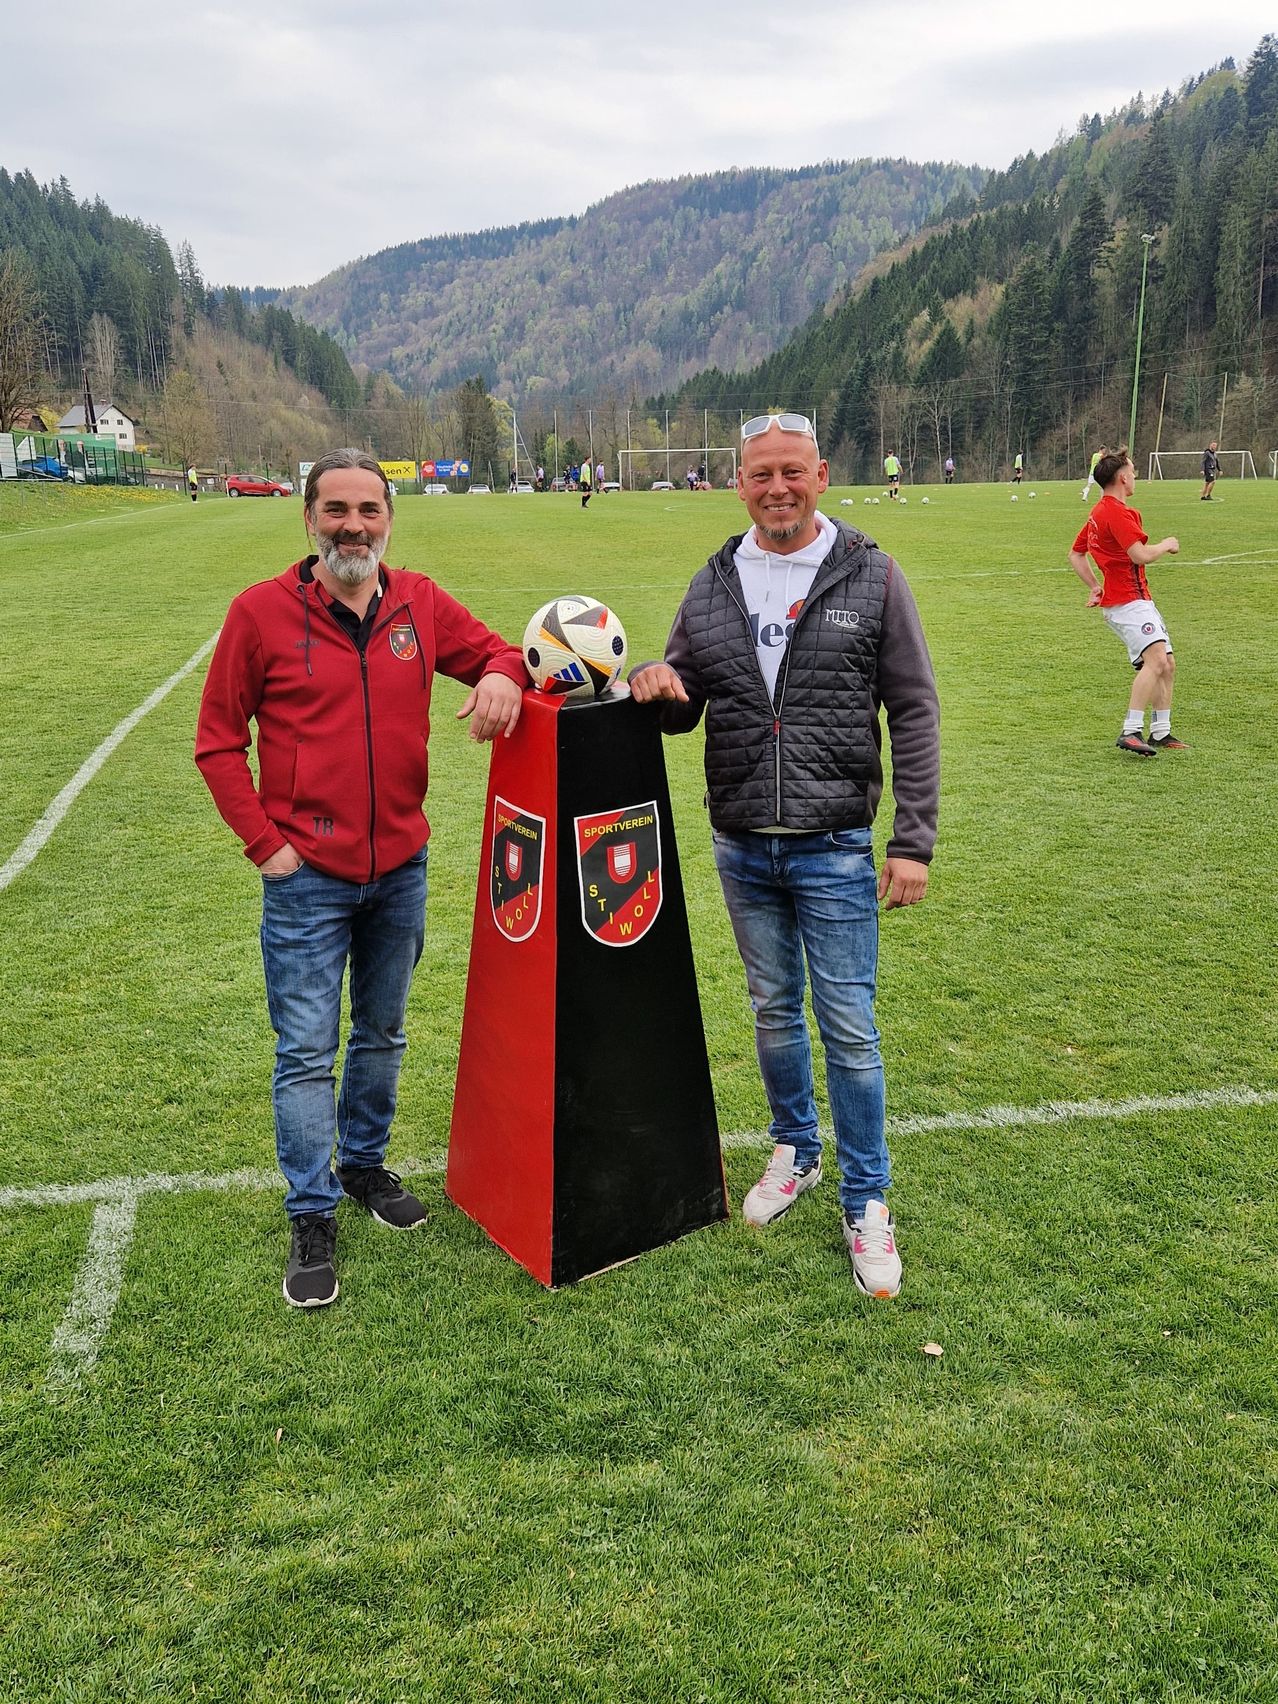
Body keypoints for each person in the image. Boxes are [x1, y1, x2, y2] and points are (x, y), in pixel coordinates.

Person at [195, 447, 528, 1308]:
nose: (353, 526)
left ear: (389, 519)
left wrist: (500, 675)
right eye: (336, 510)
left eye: (368, 510)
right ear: (309, 518)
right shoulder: (259, 613)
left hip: (401, 869)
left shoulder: (419, 602)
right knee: (306, 1052)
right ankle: (312, 1212)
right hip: (305, 879)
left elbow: (501, 652)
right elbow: (218, 743)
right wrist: (266, 845)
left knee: (382, 1033)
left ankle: (364, 1166)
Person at [630, 413, 940, 1299]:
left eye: (792, 472)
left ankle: (867, 1199)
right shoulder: (714, 581)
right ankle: (796, 1149)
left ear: (821, 475)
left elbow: (914, 707)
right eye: (761, 474)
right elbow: (686, 703)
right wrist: (659, 684)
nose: (777, 489)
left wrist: (911, 840)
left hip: (836, 844)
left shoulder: (872, 574)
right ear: (739, 483)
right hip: (742, 845)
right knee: (773, 1012)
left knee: (849, 1028)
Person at [1067, 446, 1185, 757]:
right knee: (1156, 661)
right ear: (1122, 478)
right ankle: (1131, 730)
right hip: (1128, 601)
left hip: (1134, 599)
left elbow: (1076, 554)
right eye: (1132, 472)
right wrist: (1167, 545)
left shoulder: (1099, 512)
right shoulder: (1116, 513)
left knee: (1167, 663)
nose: (1135, 476)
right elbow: (1140, 554)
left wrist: (1095, 587)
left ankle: (1161, 731)